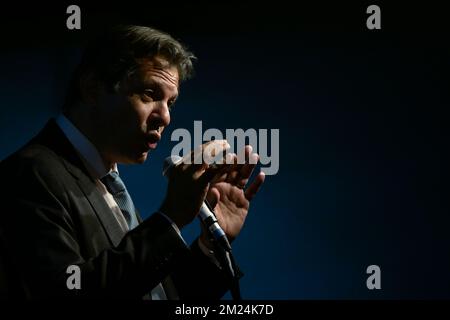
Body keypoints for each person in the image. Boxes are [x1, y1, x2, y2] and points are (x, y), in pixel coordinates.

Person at [0, 25, 265, 299]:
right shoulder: (30, 173)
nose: (165, 118)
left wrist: (211, 245)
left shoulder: (106, 181)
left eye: (170, 103)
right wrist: (171, 216)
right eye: (150, 94)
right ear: (92, 88)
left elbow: (152, 293)